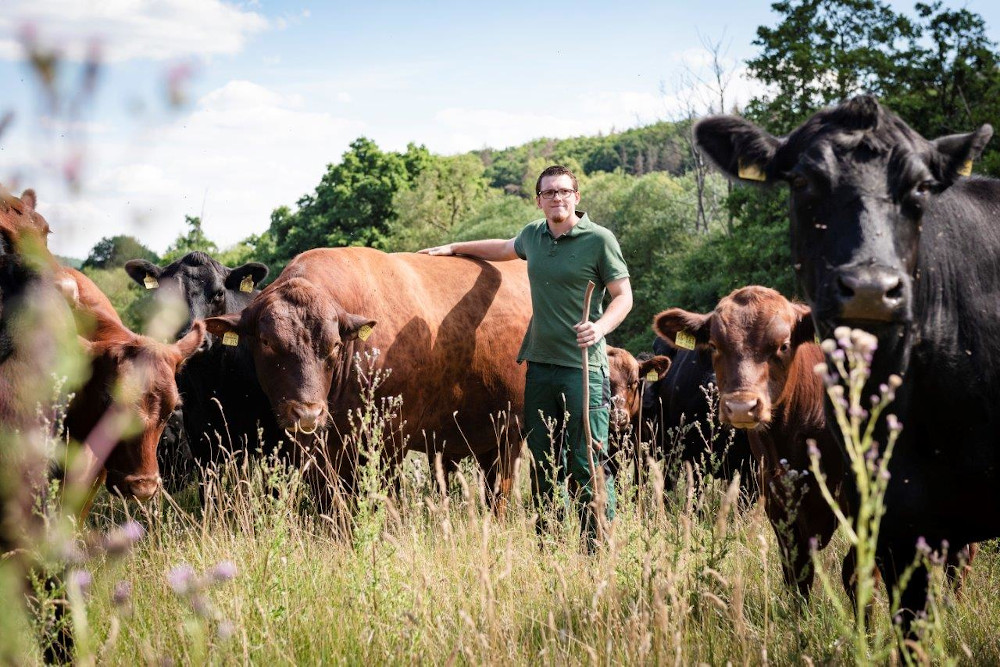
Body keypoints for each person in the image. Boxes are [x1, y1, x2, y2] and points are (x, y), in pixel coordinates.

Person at [420, 165, 632, 549]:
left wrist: (600, 328)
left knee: (587, 458)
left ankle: (596, 544)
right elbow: (502, 248)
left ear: (576, 197)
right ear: (538, 200)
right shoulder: (534, 236)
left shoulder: (599, 240)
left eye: (564, 191)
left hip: (584, 368)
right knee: (545, 458)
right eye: (549, 192)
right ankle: (550, 541)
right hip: (540, 366)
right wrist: (454, 248)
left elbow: (624, 296)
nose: (557, 198)